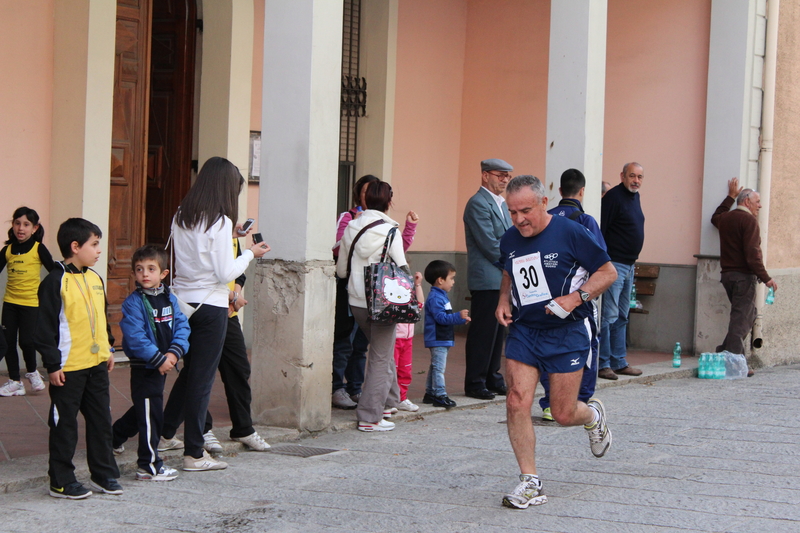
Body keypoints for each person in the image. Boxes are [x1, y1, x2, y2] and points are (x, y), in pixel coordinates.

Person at [496, 175, 616, 509]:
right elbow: (508, 270)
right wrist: (503, 299)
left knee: (562, 413)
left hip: (567, 333)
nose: (519, 219)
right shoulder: (510, 239)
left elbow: (608, 273)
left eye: (526, 210)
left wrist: (576, 298)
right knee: (517, 400)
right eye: (512, 211)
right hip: (525, 330)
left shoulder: (572, 232)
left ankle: (591, 416)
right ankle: (530, 481)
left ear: (544, 203)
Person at [160, 156, 270, 471]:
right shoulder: (219, 221)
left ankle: (162, 432)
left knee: (191, 375)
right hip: (211, 305)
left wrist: (231, 237)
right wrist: (250, 252)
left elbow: (191, 255)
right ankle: (195, 453)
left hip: (182, 303)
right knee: (201, 380)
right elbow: (225, 272)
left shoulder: (183, 215)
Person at [35, 218, 121, 499]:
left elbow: (101, 317)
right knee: (65, 426)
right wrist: (52, 365)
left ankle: (104, 474)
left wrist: (108, 348)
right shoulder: (54, 281)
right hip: (68, 369)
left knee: (100, 422)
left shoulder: (95, 278)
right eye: (94, 244)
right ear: (75, 246)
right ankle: (61, 481)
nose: (99, 251)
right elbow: (45, 328)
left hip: (96, 366)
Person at [336, 181, 409, 432]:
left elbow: (341, 269)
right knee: (379, 357)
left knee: (381, 351)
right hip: (383, 303)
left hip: (356, 301)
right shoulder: (391, 230)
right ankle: (369, 416)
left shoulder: (352, 227)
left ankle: (387, 403)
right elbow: (401, 265)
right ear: (389, 202)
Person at [111, 245, 188, 481]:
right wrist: (158, 359)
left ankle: (112, 437)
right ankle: (149, 465)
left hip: (163, 363)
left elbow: (182, 326)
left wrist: (174, 355)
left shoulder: (169, 298)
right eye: (139, 269)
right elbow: (135, 336)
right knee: (151, 414)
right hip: (145, 367)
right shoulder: (133, 303)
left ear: (163, 274)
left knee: (145, 409)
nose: (145, 274)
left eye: (151, 269)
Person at [539, 169, 605, 421]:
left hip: (545, 298)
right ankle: (580, 400)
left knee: (548, 348)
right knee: (586, 347)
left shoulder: (546, 218)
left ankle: (548, 403)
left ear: (559, 191)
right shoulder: (586, 221)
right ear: (582, 191)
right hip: (578, 301)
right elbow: (600, 262)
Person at [200, 234, 272, 451]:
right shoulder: (208, 232)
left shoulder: (231, 234)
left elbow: (238, 273)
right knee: (201, 375)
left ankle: (243, 428)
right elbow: (210, 274)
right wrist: (231, 296)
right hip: (208, 309)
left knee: (239, 369)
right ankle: (203, 429)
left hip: (228, 313)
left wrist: (236, 296)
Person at [711, 177, 777, 374]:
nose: (760, 206)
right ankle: (735, 362)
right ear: (747, 201)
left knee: (746, 315)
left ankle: (722, 351)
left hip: (728, 276)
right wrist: (766, 278)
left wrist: (729, 197)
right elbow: (753, 255)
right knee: (741, 320)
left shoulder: (727, 218)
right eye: (757, 202)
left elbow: (716, 216)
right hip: (743, 277)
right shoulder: (749, 220)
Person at [462, 158, 512, 400]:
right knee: (482, 332)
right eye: (499, 175)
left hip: (500, 275)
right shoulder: (478, 203)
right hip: (487, 276)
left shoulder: (501, 204)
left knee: (497, 331)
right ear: (485, 175)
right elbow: (489, 244)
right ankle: (475, 381)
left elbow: (508, 238)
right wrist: (511, 262)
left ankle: (492, 377)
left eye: (507, 176)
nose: (504, 179)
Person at [331, 175, 380, 409]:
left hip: (373, 290)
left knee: (361, 344)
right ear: (359, 193)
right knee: (344, 341)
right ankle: (336, 388)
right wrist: (355, 227)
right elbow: (337, 248)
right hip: (349, 287)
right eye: (367, 191)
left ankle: (355, 388)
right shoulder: (349, 217)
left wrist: (410, 227)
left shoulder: (383, 222)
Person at [0, 207, 56, 396]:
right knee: (8, 342)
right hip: (10, 303)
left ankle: (32, 372)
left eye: (26, 224)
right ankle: (15, 381)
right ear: (13, 225)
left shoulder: (38, 248)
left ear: (34, 228)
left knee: (27, 341)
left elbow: (53, 272)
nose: (20, 228)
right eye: (17, 223)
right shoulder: (7, 250)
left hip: (31, 304)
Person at [598, 162, 646, 380]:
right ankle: (603, 363)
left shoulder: (635, 197)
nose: (636, 180)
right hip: (614, 264)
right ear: (622, 176)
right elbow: (602, 231)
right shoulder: (612, 197)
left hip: (629, 264)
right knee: (608, 316)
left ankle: (619, 361)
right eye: (632, 176)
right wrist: (603, 263)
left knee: (622, 316)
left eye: (640, 177)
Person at [422, 260, 470, 409]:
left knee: (435, 366)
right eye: (452, 278)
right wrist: (458, 316)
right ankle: (440, 395)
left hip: (442, 337)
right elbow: (441, 318)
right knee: (439, 368)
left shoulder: (441, 295)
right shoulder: (436, 298)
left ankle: (430, 392)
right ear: (440, 280)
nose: (454, 282)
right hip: (438, 338)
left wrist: (460, 320)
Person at [393, 210, 423, 412]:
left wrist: (418, 285)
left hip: (408, 338)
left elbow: (419, 305)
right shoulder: (391, 289)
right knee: (391, 369)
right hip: (394, 337)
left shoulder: (410, 287)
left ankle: (402, 397)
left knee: (405, 370)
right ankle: (390, 399)